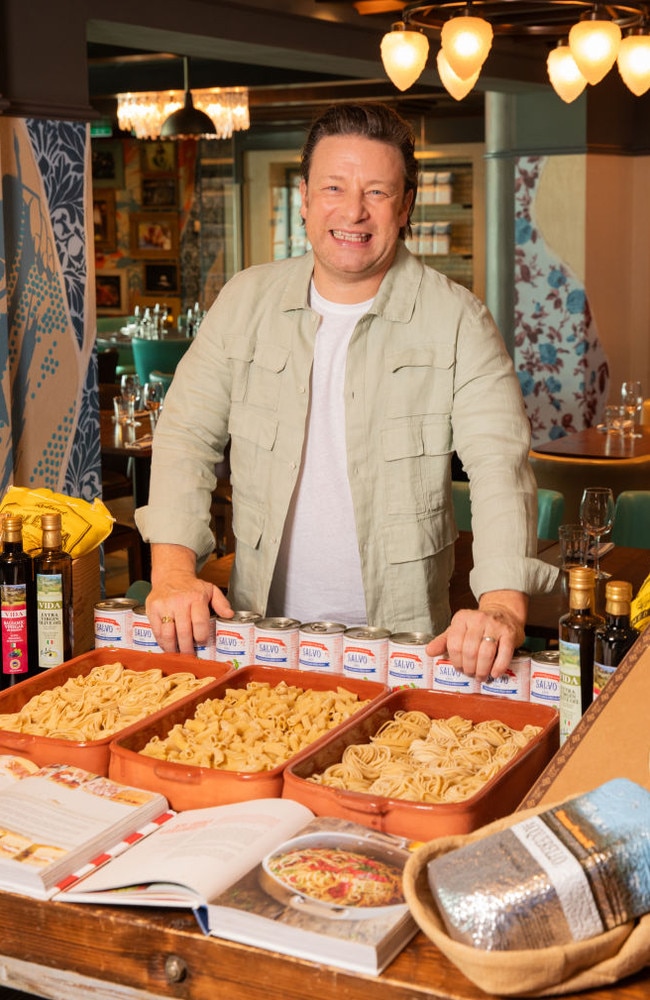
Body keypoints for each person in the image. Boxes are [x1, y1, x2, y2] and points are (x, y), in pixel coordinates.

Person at [135, 102, 557, 680]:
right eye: (334, 187)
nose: (353, 212)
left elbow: (499, 471)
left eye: (378, 192)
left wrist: (502, 607)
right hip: (259, 632)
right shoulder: (244, 301)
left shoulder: (459, 321)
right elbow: (186, 436)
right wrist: (174, 573)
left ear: (405, 205)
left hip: (404, 646)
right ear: (305, 197)